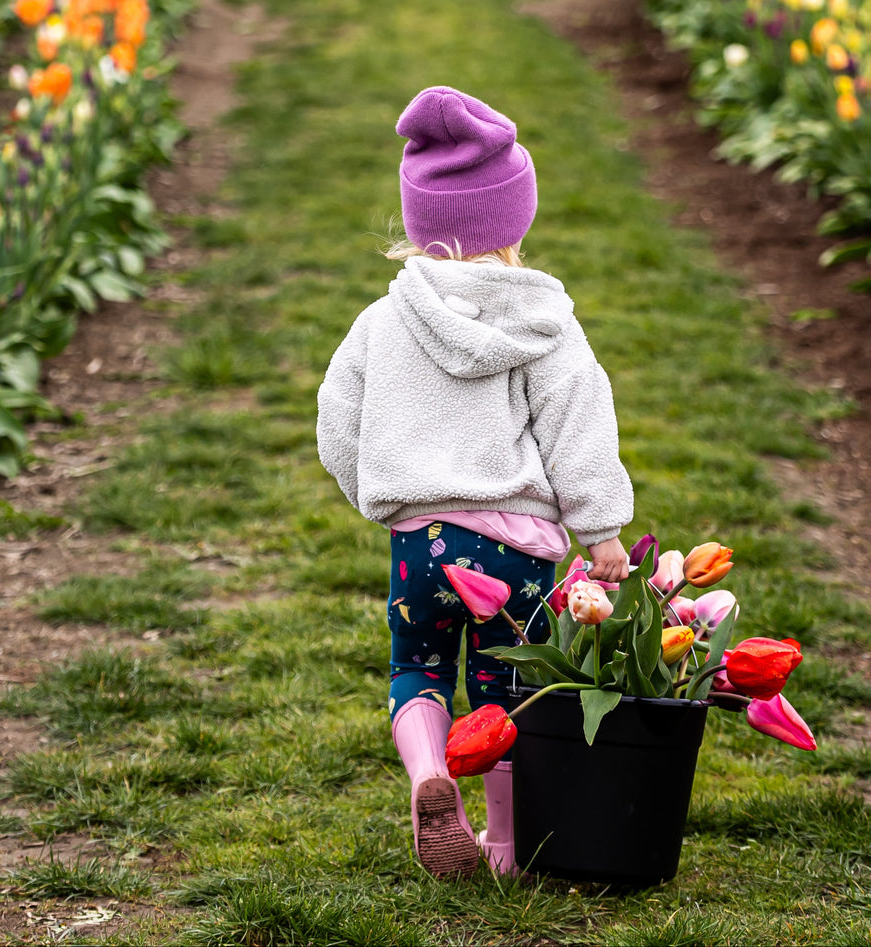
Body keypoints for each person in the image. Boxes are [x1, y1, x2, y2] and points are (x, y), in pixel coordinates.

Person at [316, 86, 634, 877]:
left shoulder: (383, 320)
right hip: (513, 554)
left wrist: (380, 490)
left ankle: (429, 775)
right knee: (507, 689)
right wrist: (601, 531)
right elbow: (578, 426)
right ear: (514, 218)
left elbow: (336, 419)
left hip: (418, 545)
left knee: (417, 666)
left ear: (418, 218)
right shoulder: (543, 322)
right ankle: (503, 843)